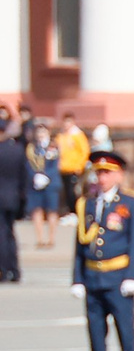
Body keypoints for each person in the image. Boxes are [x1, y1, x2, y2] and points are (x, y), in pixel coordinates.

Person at [73, 150, 134, 351]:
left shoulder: (131, 203)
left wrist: (133, 276)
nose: (102, 178)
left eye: (107, 173)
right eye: (99, 173)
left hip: (118, 279)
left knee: (126, 337)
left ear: (119, 175)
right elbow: (79, 247)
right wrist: (77, 279)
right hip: (94, 279)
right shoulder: (88, 204)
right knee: (96, 338)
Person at [0, 112, 27, 282]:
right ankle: (14, 270)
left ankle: (3, 269)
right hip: (14, 197)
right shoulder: (17, 150)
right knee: (10, 233)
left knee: (2, 234)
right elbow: (24, 176)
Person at [29, 120, 61, 251]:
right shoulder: (32, 148)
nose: (40, 134)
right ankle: (40, 239)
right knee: (37, 210)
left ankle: (51, 239)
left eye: (43, 131)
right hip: (35, 184)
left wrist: (46, 176)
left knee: (52, 211)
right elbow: (27, 164)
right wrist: (34, 176)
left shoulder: (53, 146)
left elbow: (55, 165)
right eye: (38, 131)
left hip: (51, 183)